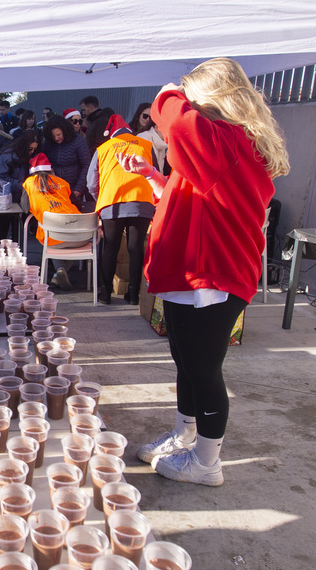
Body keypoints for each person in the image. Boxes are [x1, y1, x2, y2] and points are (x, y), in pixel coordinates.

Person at [123, 58, 288, 487]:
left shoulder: (229, 141)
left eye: (193, 100)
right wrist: (154, 179)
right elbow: (191, 198)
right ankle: (185, 435)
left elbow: (174, 121)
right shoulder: (222, 147)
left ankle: (207, 462)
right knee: (186, 360)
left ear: (212, 101)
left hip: (211, 277)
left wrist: (168, 91)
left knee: (203, 369)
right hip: (192, 274)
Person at [87, 114, 156, 305]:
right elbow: (154, 173)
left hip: (112, 202)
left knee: (110, 247)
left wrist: (100, 197)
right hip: (141, 201)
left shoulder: (103, 148)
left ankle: (105, 294)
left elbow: (91, 182)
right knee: (136, 249)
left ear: (112, 134)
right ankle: (134, 295)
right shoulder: (145, 145)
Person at [21, 153, 85, 286]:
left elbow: (25, 208)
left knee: (51, 237)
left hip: (53, 237)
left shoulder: (29, 183)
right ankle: (59, 273)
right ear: (50, 169)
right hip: (80, 236)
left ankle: (60, 270)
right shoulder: (62, 182)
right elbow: (77, 204)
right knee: (63, 239)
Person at [0, 129, 41, 244]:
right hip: (7, 198)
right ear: (24, 145)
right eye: (30, 148)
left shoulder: (33, 156)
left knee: (19, 233)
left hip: (23, 198)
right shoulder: (7, 156)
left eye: (34, 149)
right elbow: (2, 178)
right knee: (2, 231)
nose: (32, 151)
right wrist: (22, 185)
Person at [43, 114, 91, 211]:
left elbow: (86, 165)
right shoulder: (48, 143)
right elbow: (43, 161)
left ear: (64, 131)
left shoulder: (78, 141)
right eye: (53, 136)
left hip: (73, 189)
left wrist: (79, 189)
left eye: (58, 135)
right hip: (54, 190)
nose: (56, 138)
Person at [134, 101, 171, 175]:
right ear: (157, 127)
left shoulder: (161, 143)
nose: (169, 132)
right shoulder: (144, 138)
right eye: (166, 128)